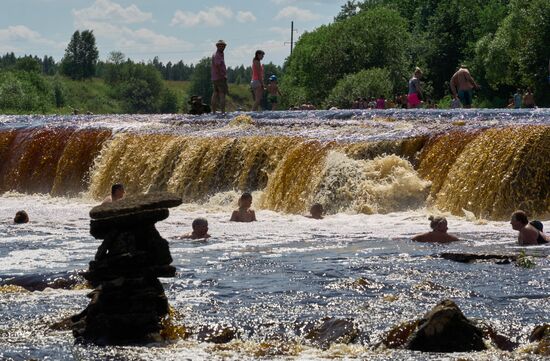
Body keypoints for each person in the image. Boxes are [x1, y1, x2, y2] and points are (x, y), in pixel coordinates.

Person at [211, 40, 228, 114]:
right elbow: (217, 65)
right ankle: (222, 113)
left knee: (215, 93)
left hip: (215, 77)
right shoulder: (217, 55)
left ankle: (214, 112)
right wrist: (222, 75)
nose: (222, 47)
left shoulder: (220, 54)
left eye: (223, 46)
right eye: (220, 46)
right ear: (217, 46)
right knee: (222, 94)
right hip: (220, 77)